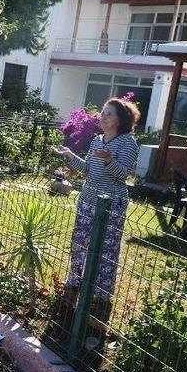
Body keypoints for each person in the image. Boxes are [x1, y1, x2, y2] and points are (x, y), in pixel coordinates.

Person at [51, 97, 140, 348]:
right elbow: (88, 170)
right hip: (87, 202)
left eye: (109, 114)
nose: (103, 116)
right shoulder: (96, 140)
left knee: (105, 257)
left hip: (110, 207)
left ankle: (98, 311)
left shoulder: (127, 142)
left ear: (121, 120)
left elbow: (123, 174)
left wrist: (110, 161)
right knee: (79, 248)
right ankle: (70, 297)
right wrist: (69, 155)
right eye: (103, 112)